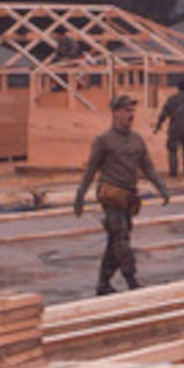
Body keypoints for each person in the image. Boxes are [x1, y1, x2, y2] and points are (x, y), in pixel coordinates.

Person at [75, 94, 171, 295]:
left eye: (132, 110)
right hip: (111, 197)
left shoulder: (137, 141)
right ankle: (131, 279)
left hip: (128, 198)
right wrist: (80, 195)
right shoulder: (103, 140)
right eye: (127, 110)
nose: (131, 114)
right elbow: (90, 169)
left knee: (115, 242)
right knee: (122, 238)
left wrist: (161, 187)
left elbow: (148, 168)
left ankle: (103, 282)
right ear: (116, 112)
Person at [155, 80, 184, 177]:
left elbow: (164, 113)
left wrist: (158, 125)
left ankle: (173, 171)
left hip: (174, 129)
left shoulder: (172, 100)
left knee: (172, 151)